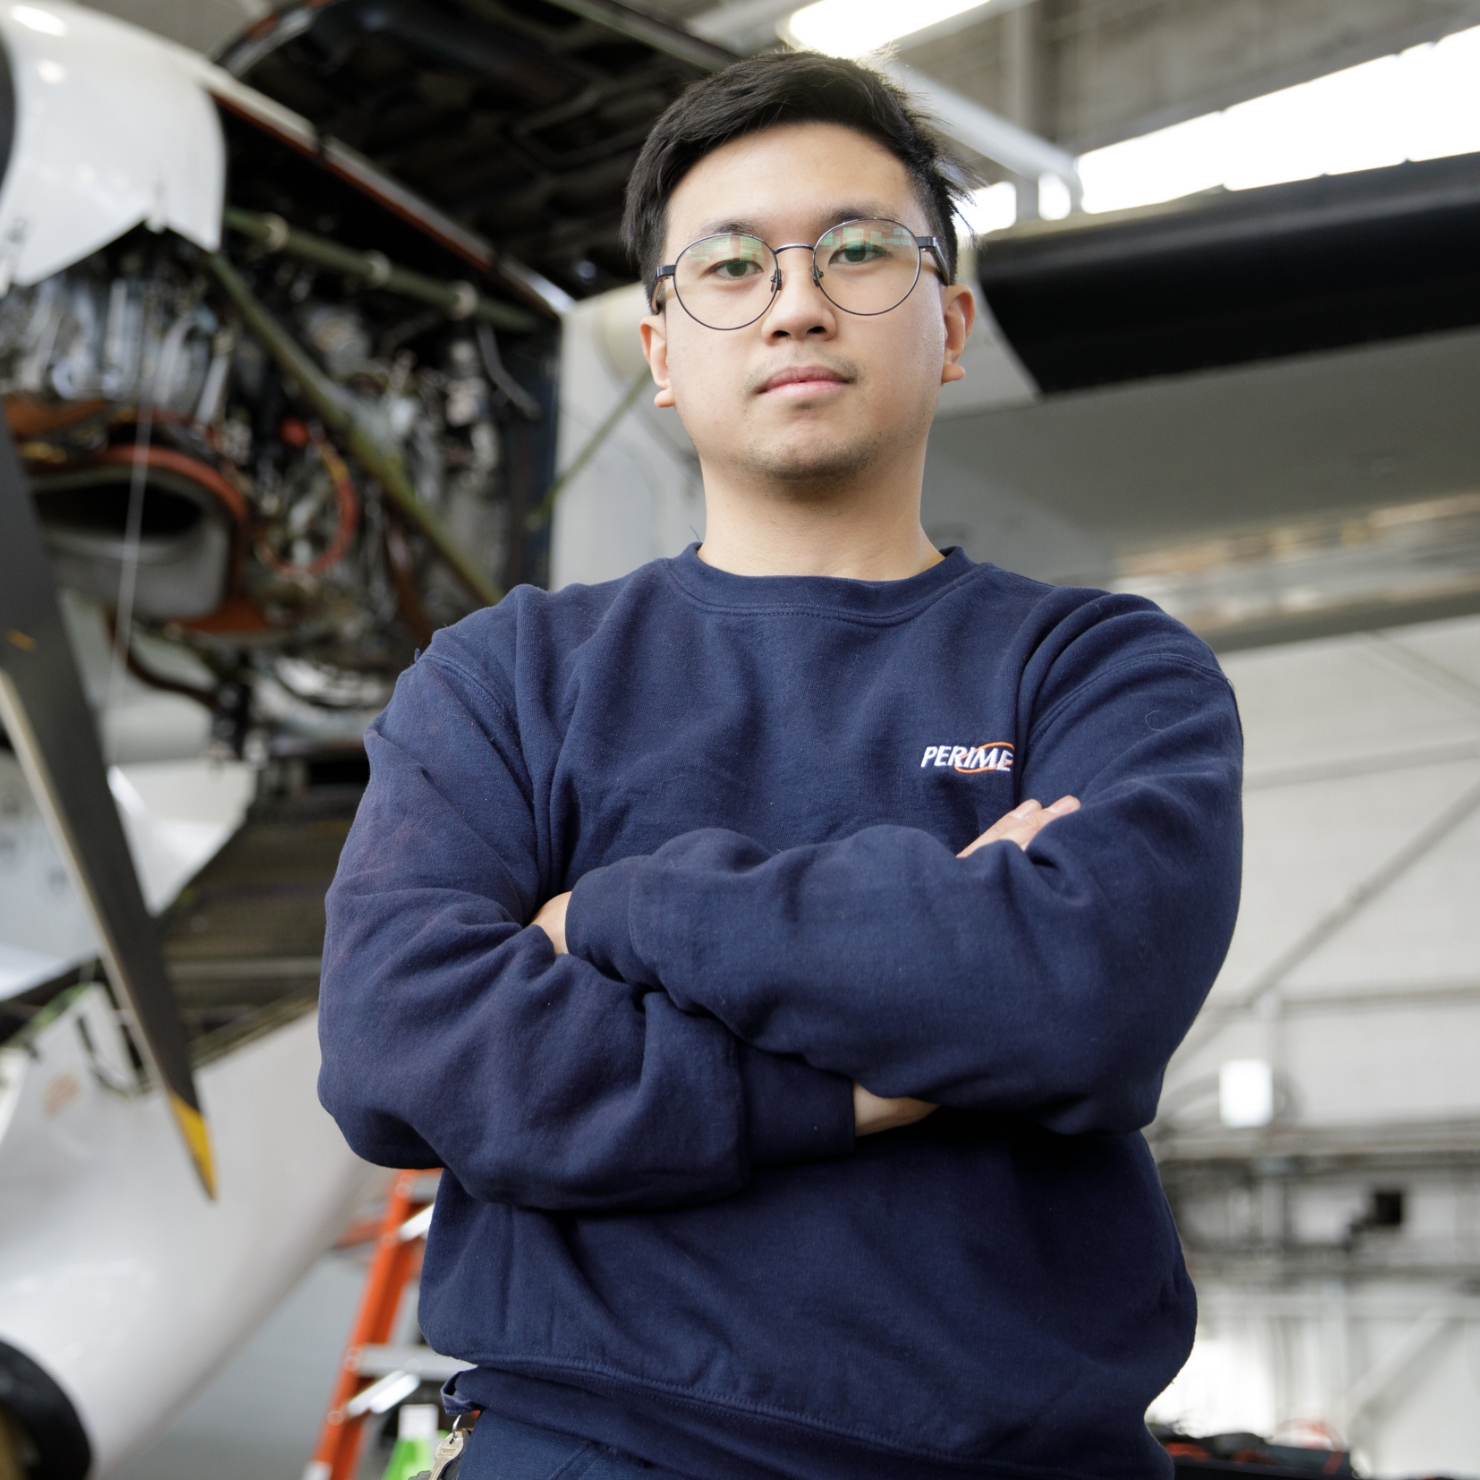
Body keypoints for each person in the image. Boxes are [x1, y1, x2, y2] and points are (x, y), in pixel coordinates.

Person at [319, 50, 1243, 1480]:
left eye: (860, 250)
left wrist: (613, 916)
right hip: (588, 1447)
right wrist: (872, 1061)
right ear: (661, 355)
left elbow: (1079, 992)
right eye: (733, 265)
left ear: (949, 324)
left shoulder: (1106, 670)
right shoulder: (505, 678)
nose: (799, 299)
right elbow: (399, 1048)